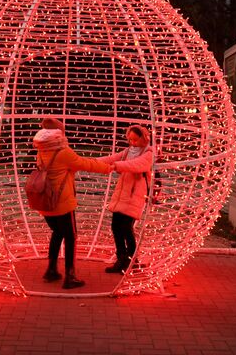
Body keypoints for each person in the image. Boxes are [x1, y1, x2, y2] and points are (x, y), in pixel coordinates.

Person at [32, 117, 111, 289]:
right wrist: (108, 167)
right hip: (63, 204)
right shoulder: (63, 152)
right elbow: (84, 164)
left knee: (57, 233)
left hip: (46, 202)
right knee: (71, 237)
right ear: (59, 134)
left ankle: (51, 270)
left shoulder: (41, 150)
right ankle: (70, 276)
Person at [97, 125, 153, 274]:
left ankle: (131, 260)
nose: (132, 142)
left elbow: (136, 165)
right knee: (116, 226)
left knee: (127, 228)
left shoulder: (148, 153)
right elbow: (111, 158)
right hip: (122, 193)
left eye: (135, 139)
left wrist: (116, 166)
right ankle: (121, 258)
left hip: (135, 194)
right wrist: (91, 162)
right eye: (130, 139)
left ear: (143, 138)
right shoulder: (128, 151)